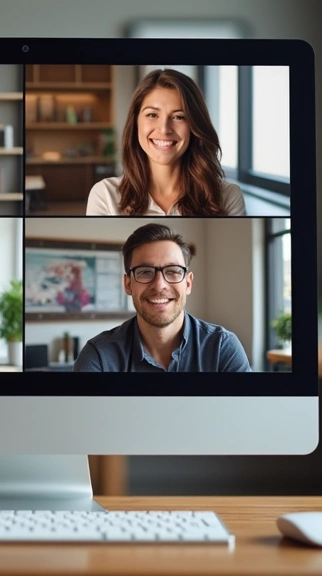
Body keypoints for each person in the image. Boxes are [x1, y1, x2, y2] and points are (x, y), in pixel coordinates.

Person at [73, 223, 251, 372]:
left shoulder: (222, 347)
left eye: (173, 271)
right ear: (128, 284)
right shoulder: (99, 356)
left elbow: (246, 413)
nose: (159, 285)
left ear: (188, 283)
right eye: (144, 272)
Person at [87, 69, 246, 216]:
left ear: (194, 126)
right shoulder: (105, 195)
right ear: (136, 122)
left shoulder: (228, 196)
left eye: (179, 117)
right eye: (152, 115)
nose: (164, 129)